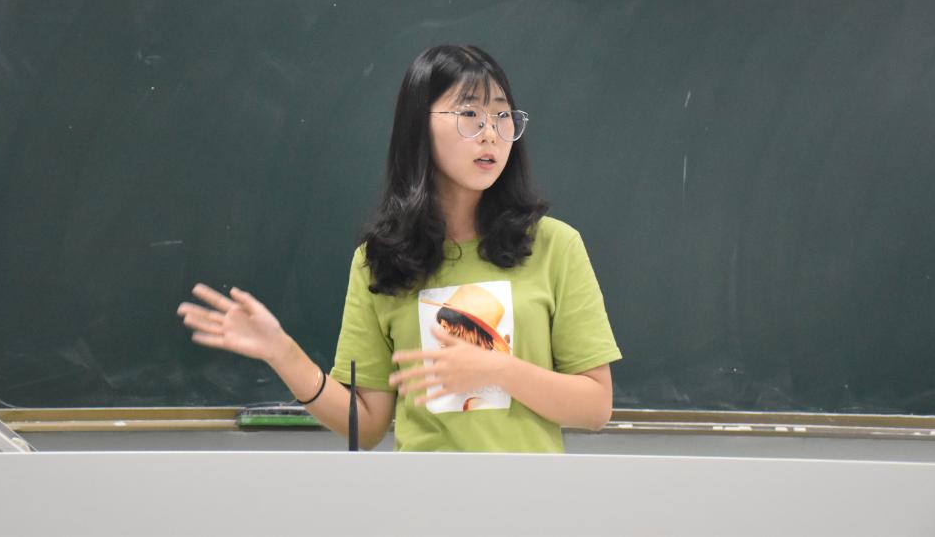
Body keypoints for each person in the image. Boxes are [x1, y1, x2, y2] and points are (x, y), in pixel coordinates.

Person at [177, 44, 622, 452]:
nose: (491, 133)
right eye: (469, 114)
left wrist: (496, 369)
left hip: (529, 499)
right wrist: (283, 354)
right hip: (420, 499)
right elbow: (367, 425)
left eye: (503, 115)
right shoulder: (380, 261)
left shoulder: (554, 246)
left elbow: (596, 406)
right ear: (418, 127)